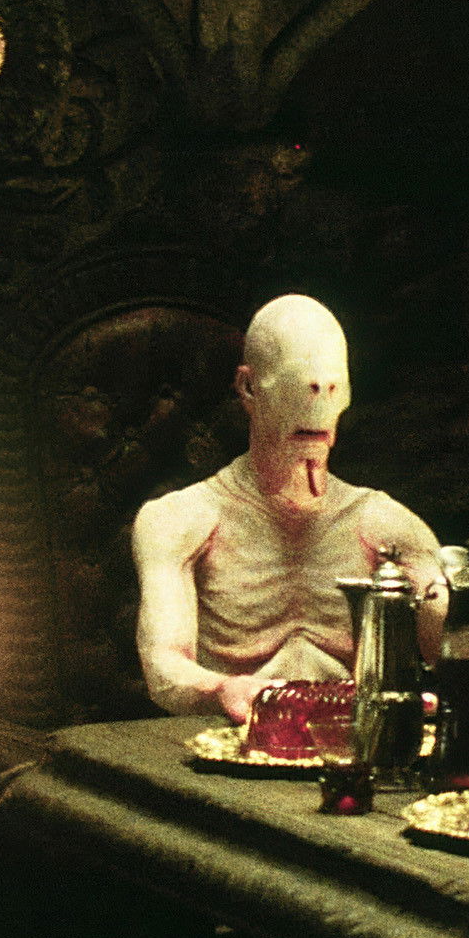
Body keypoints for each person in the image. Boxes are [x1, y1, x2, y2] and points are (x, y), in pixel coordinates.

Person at [133, 297, 445, 722]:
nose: (318, 402)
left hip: (350, 742)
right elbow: (164, 667)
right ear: (249, 388)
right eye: (302, 386)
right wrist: (224, 688)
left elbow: (459, 644)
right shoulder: (180, 520)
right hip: (228, 742)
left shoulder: (386, 525)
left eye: (331, 388)